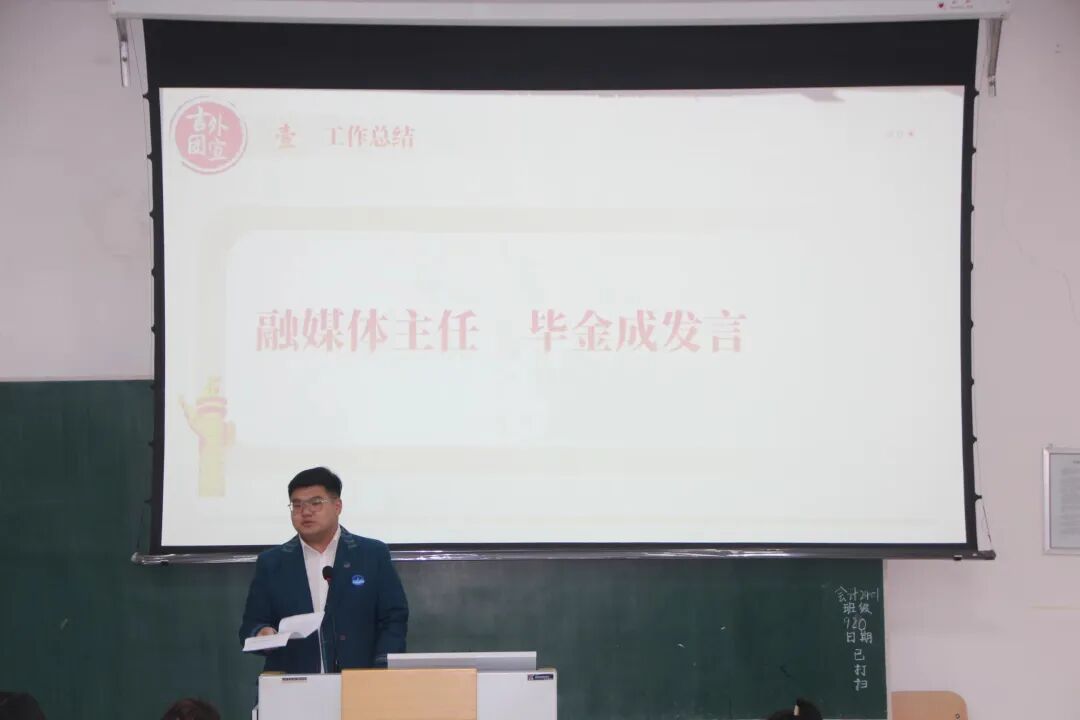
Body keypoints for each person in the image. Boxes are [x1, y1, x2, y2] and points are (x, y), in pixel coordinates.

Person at [238, 467, 408, 672]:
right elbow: (251, 626)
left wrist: (381, 669)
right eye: (297, 505)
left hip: (360, 680)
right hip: (293, 682)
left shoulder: (371, 555)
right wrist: (262, 633)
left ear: (337, 506)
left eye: (316, 503)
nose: (305, 512)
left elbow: (393, 618)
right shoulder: (272, 563)